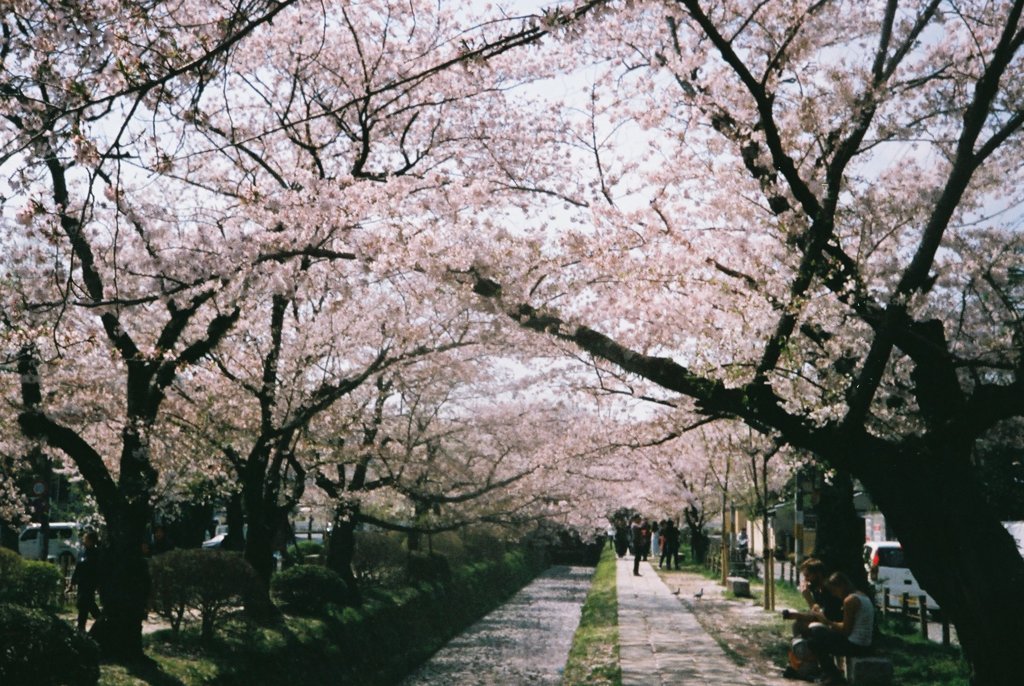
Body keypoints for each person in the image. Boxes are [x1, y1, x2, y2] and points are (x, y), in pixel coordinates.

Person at [805, 572, 875, 685]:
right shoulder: (861, 595)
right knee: (819, 632)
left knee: (814, 642)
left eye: (834, 590)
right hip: (865, 644)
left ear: (840, 586)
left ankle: (834, 676)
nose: (834, 594)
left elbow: (845, 631)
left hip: (855, 645)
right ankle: (831, 674)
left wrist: (826, 621)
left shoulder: (849, 601)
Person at [70, 531, 102, 632]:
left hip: (90, 582)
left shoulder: (96, 553)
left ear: (92, 541)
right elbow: (78, 567)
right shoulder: (82, 552)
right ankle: (81, 628)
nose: (84, 541)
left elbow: (97, 569)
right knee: (83, 605)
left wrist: (98, 583)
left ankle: (100, 621)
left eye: (86, 539)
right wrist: (73, 582)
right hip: (82, 582)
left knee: (87, 603)